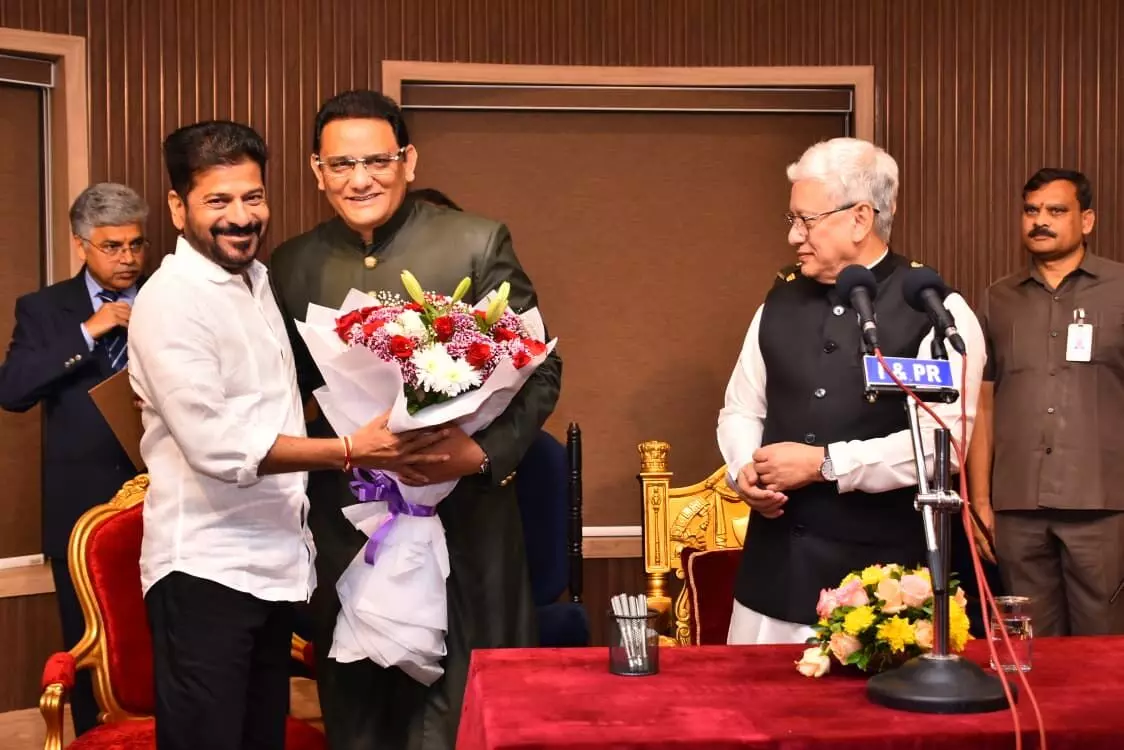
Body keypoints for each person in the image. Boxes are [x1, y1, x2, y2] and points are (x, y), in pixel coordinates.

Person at [128, 120, 450, 750]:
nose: (241, 217)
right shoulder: (171, 302)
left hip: (277, 569)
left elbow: (277, 409)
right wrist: (353, 450)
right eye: (218, 201)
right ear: (178, 206)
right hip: (205, 574)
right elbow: (219, 447)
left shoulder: (257, 281)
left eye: (253, 198)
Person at [270, 89, 561, 750]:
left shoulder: (475, 241)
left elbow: (541, 367)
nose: (360, 180)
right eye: (340, 166)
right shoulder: (290, 265)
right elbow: (280, 394)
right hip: (352, 527)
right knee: (362, 719)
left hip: (468, 528)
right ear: (317, 171)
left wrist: (479, 454)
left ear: (408, 161)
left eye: (377, 161)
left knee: (465, 716)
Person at [717, 137, 985, 644]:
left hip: (880, 592)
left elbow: (942, 446)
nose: (795, 236)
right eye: (791, 219)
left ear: (860, 218)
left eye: (807, 220)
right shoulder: (777, 304)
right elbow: (739, 408)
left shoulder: (936, 312)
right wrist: (742, 469)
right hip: (772, 582)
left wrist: (826, 464)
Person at [0, 182, 149, 735]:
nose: (128, 259)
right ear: (80, 244)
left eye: (136, 244)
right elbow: (12, 390)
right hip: (79, 510)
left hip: (167, 495)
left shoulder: (169, 296)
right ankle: (93, 739)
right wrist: (91, 330)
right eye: (112, 247)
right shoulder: (43, 309)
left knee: (172, 637)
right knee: (89, 642)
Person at [968, 168, 1124, 636]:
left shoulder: (1120, 290)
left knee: (1104, 647)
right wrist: (980, 499)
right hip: (1017, 507)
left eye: (1056, 211)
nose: (1041, 221)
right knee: (1030, 646)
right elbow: (984, 401)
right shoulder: (998, 299)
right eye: (1032, 210)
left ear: (1087, 220)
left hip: (1103, 502)